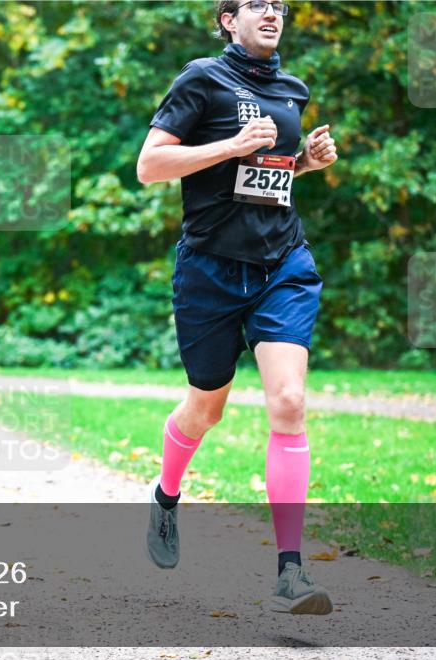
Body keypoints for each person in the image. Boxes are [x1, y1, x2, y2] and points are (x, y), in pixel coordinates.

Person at [136, 0, 338, 615]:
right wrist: (228, 145)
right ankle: (167, 496)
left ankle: (289, 573)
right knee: (206, 410)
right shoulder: (201, 78)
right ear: (229, 19)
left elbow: (266, 173)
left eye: (279, 4)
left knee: (289, 401)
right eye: (257, 4)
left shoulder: (292, 89)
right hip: (209, 270)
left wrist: (302, 163)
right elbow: (149, 166)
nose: (272, 12)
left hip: (282, 263)